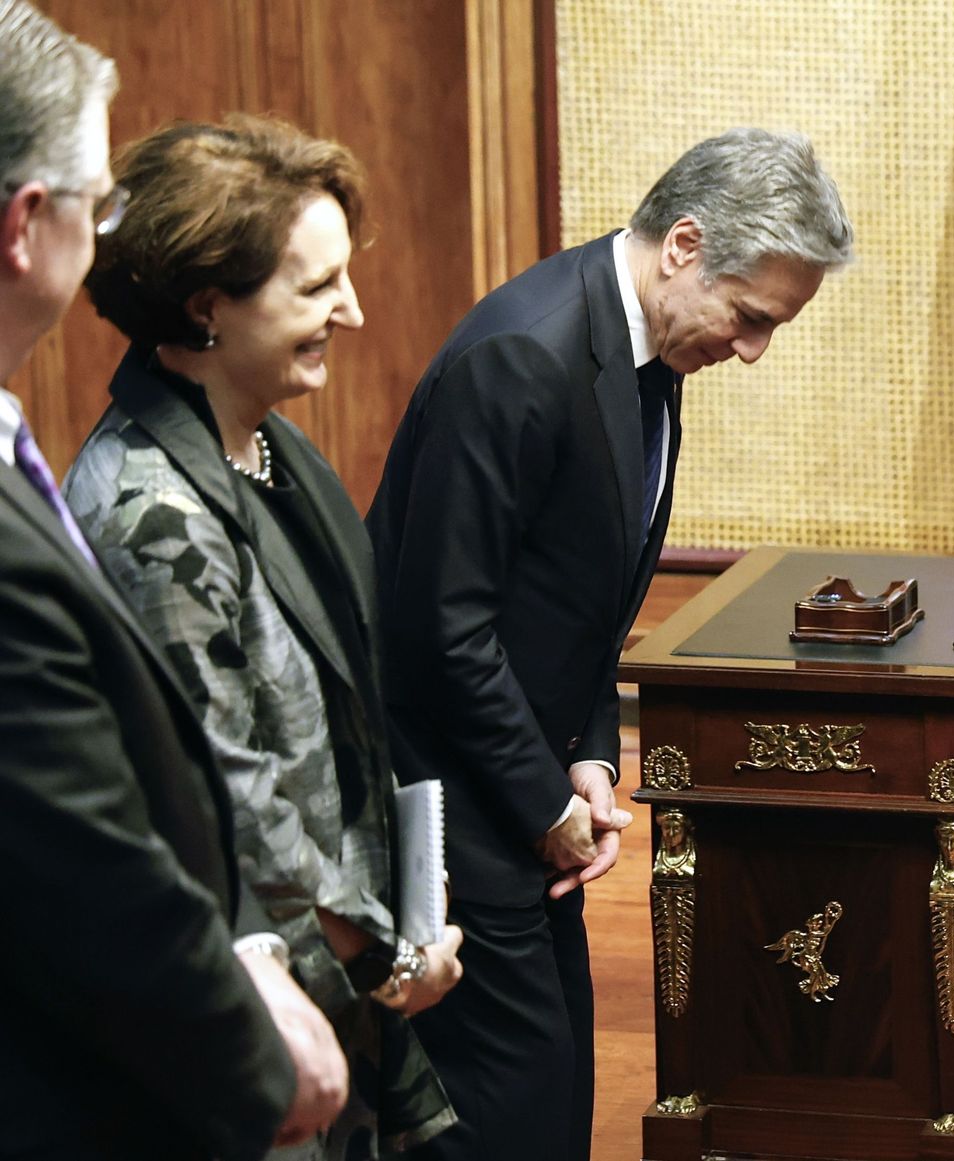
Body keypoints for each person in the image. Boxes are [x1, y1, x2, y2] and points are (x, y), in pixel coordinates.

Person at [366, 127, 853, 1159]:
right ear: (685, 245)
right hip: (452, 803)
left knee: (552, 1101)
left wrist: (590, 756)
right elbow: (436, 631)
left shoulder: (646, 349)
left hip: (526, 795)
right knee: (499, 1122)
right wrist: (546, 802)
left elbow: (582, 600)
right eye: (751, 316)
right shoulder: (519, 358)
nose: (754, 349)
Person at [62, 114, 464, 1158]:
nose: (355, 309)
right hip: (260, 1021)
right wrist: (387, 964)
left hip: (336, 981)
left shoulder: (268, 450)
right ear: (207, 307)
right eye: (316, 287)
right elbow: (235, 802)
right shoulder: (156, 516)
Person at [0, 4, 349, 1157]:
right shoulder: (140, 497)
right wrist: (268, 1050)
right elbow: (102, 842)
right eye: (97, 204)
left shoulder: (280, 453)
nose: (108, 233)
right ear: (24, 224)